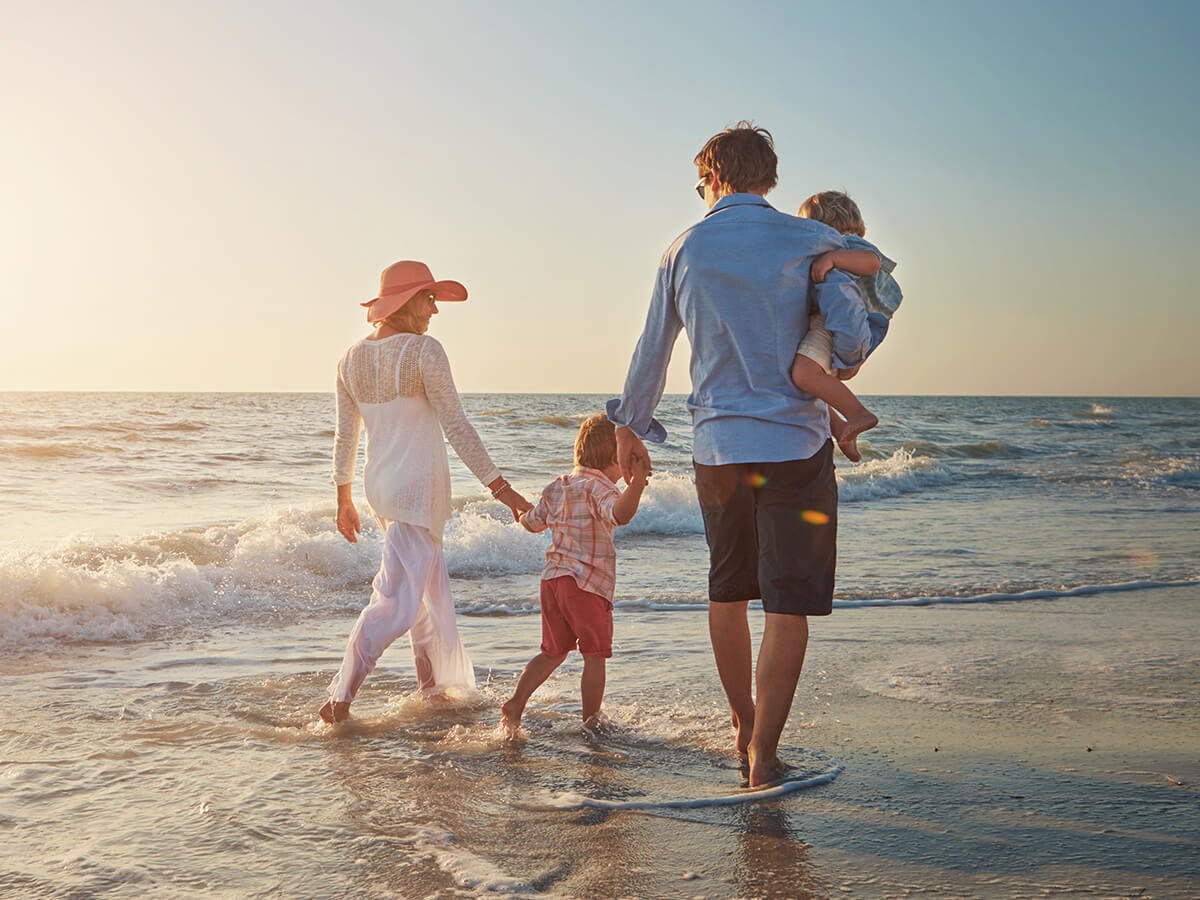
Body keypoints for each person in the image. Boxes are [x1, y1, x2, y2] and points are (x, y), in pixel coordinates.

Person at [608, 122, 872, 788]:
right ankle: (764, 756)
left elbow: (652, 351)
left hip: (720, 449)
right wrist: (843, 358)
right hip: (796, 446)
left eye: (701, 182)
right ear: (766, 178)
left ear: (717, 177)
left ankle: (741, 723)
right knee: (787, 605)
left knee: (728, 593)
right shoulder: (812, 238)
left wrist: (630, 426)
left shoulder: (682, 248)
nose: (701, 193)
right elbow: (848, 330)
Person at [320, 260, 531, 724]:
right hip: (417, 490)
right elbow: (456, 426)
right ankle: (340, 696)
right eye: (428, 298)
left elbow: (345, 437)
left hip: (383, 490)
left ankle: (432, 690)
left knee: (428, 598)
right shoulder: (424, 351)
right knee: (395, 600)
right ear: (404, 301)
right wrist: (504, 491)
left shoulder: (348, 359)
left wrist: (345, 498)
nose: (434, 310)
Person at [500, 413, 650, 736]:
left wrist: (519, 511)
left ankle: (516, 702)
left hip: (553, 582)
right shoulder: (600, 488)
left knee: (552, 651)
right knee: (595, 656)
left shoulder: (557, 487)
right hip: (587, 586)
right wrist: (637, 485)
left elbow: (532, 522)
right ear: (615, 458)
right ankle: (591, 723)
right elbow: (620, 514)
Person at [791, 190, 904, 461]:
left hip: (838, 323)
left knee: (804, 374)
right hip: (844, 322)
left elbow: (872, 262)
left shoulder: (846, 244)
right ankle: (841, 429)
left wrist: (832, 259)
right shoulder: (837, 247)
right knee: (815, 384)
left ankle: (857, 413)